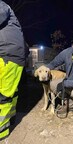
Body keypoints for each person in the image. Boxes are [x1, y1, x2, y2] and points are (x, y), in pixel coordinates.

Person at [0, 0, 27, 140]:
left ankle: (1, 131)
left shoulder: (1, 5)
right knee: (11, 91)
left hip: (7, 54)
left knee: (3, 95)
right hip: (12, 54)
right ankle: (11, 118)